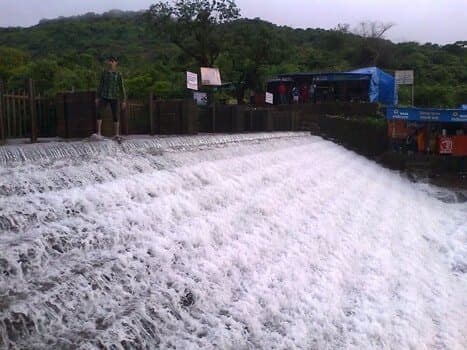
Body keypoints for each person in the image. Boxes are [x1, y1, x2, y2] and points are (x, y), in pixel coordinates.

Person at [93, 55, 127, 141]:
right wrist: (97, 97)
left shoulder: (118, 74)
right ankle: (99, 133)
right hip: (104, 95)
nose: (111, 63)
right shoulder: (104, 73)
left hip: (114, 96)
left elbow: (121, 88)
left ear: (116, 63)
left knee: (115, 115)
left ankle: (116, 134)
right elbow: (100, 85)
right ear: (108, 62)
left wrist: (124, 100)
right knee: (99, 112)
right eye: (110, 61)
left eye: (113, 61)